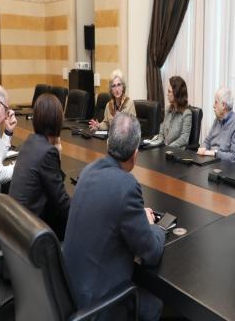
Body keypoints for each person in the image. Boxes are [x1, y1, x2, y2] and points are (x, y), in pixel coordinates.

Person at [63, 113, 165, 321]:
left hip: (70, 291)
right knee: (155, 304)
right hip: (97, 307)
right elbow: (151, 253)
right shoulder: (127, 186)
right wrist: (153, 226)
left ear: (108, 143)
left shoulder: (88, 170)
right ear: (135, 154)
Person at [9, 94, 70, 240]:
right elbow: (62, 203)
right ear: (57, 120)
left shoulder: (29, 142)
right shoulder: (48, 152)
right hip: (31, 235)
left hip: (16, 227)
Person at [197, 87, 235, 163]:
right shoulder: (217, 120)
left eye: (216, 102)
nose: (213, 105)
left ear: (223, 105)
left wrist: (215, 153)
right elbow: (207, 141)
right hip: (210, 161)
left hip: (225, 165)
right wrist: (203, 148)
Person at [154, 76, 192, 148]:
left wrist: (168, 148)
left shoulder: (187, 113)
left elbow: (184, 139)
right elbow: (161, 132)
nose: (167, 94)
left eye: (169, 92)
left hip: (177, 151)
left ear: (176, 93)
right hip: (164, 149)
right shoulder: (167, 109)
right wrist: (159, 145)